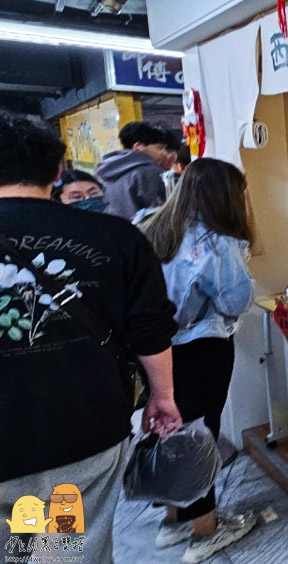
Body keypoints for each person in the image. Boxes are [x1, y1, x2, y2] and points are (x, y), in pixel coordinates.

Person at [0, 113, 181, 564]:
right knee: (69, 546)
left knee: (19, 546)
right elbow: (150, 328)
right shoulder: (114, 237)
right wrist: (163, 396)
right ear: (58, 172)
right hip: (84, 431)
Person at [141, 158, 258, 563]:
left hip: (158, 350)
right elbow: (236, 299)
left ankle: (173, 521)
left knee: (170, 431)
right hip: (202, 348)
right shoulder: (214, 240)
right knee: (198, 435)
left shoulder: (158, 228)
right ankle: (204, 530)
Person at [96, 121, 171, 220]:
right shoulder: (148, 171)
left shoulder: (105, 167)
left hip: (111, 228)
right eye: (159, 148)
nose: (163, 153)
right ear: (138, 146)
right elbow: (158, 210)